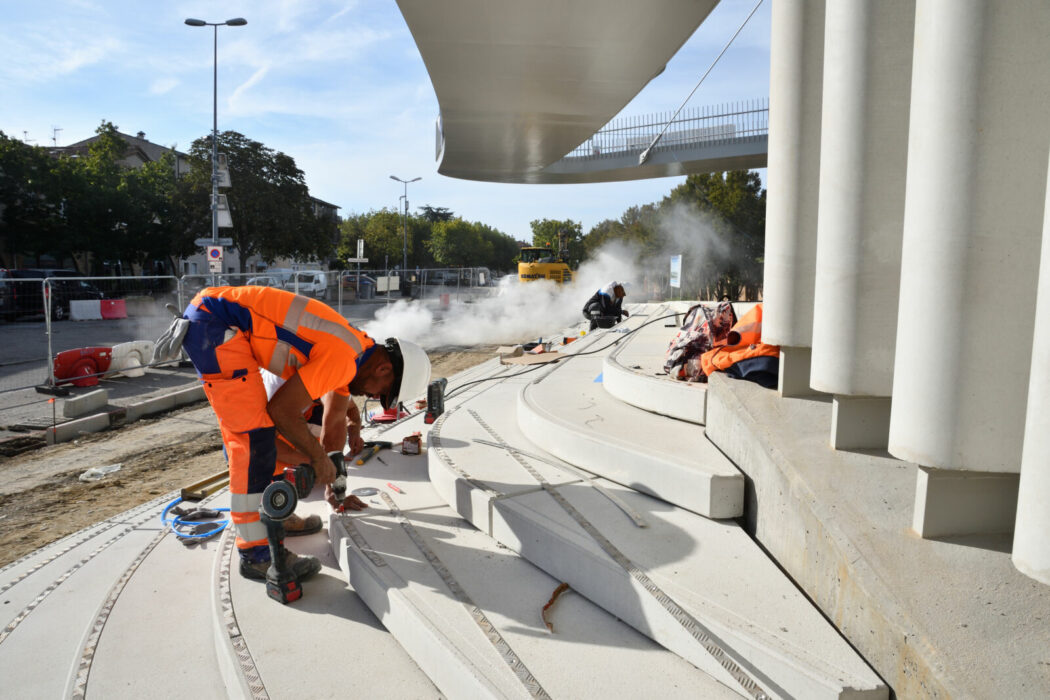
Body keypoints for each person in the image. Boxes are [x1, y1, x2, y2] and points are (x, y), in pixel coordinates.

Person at [173, 285, 431, 582]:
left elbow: (334, 426)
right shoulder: (344, 360)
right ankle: (256, 555)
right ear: (384, 370)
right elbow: (281, 411)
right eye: (382, 393)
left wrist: (336, 490)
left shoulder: (355, 353)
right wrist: (316, 458)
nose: (373, 397)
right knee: (252, 439)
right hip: (216, 325)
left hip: (219, 321)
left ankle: (275, 519)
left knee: (285, 442)